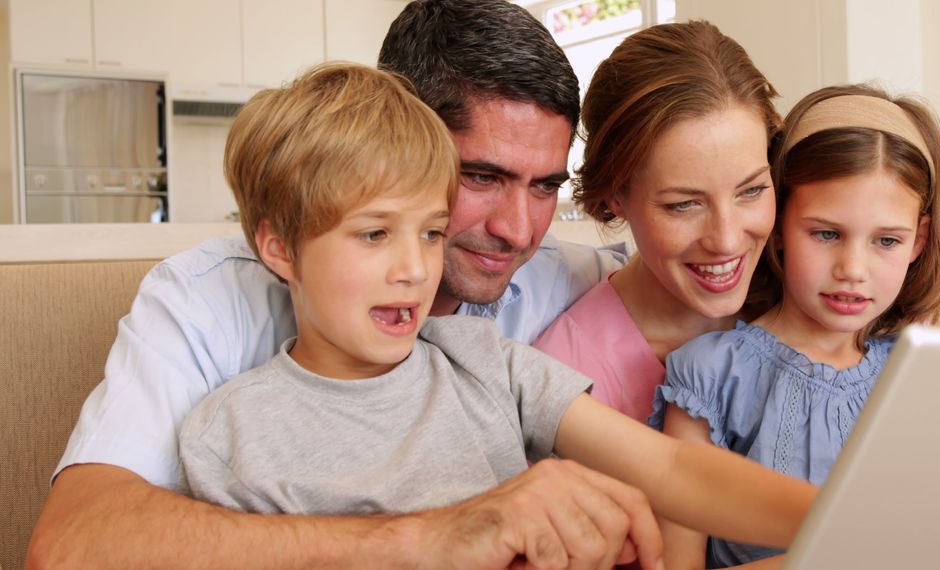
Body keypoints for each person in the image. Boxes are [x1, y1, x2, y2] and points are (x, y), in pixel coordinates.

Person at [28, 1, 635, 567]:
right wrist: (428, 536)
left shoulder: (567, 276)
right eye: (480, 176)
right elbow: (72, 542)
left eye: (545, 186)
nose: (518, 231)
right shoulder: (204, 301)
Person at [177, 63, 817, 570]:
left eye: (431, 233)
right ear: (279, 248)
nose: (414, 269)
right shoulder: (229, 433)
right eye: (374, 235)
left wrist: (843, 520)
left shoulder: (485, 360)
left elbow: (675, 469)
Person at [650, 84, 940, 568]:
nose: (852, 269)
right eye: (826, 234)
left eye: (886, 241)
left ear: (918, 241)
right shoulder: (712, 377)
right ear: (777, 225)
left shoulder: (916, 367)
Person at [533, 21, 780, 424]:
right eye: (684, 205)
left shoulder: (814, 306)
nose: (727, 239)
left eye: (751, 191)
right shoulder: (565, 377)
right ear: (616, 195)